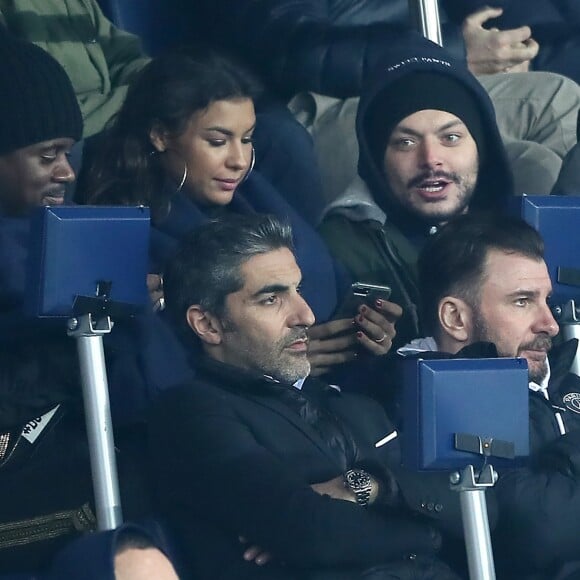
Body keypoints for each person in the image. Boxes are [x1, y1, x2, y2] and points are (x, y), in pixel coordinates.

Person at [149, 212, 491, 579]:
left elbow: (472, 500)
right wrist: (426, 529)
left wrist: (367, 486)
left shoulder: (343, 401)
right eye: (271, 299)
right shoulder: (192, 412)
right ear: (208, 324)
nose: (306, 316)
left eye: (299, 290)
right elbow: (315, 532)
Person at [83, 49, 401, 382]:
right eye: (218, 141)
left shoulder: (255, 199)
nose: (239, 159)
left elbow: (327, 283)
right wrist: (282, 363)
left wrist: (363, 334)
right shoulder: (122, 240)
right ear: (161, 136)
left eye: (247, 139)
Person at [194, 0, 580, 201]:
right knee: (546, 130)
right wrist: (452, 51)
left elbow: (524, 18)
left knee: (549, 125)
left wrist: (515, 51)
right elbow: (294, 50)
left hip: (419, 80)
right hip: (309, 109)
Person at [0, 0, 327, 225]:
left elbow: (127, 58)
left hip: (124, 113)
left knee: (279, 136)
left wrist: (181, 84)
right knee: (57, 162)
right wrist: (153, 97)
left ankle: (300, 264)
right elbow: (32, 109)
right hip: (73, 135)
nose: (238, 157)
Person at [402, 212, 580, 578]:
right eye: (522, 301)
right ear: (456, 318)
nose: (549, 322)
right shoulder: (430, 407)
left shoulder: (563, 382)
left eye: (547, 300)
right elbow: (540, 531)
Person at [318, 42, 513, 350]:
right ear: (376, 160)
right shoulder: (338, 248)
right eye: (406, 142)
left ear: (481, 148)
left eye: (450, 138)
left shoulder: (521, 234)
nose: (431, 159)